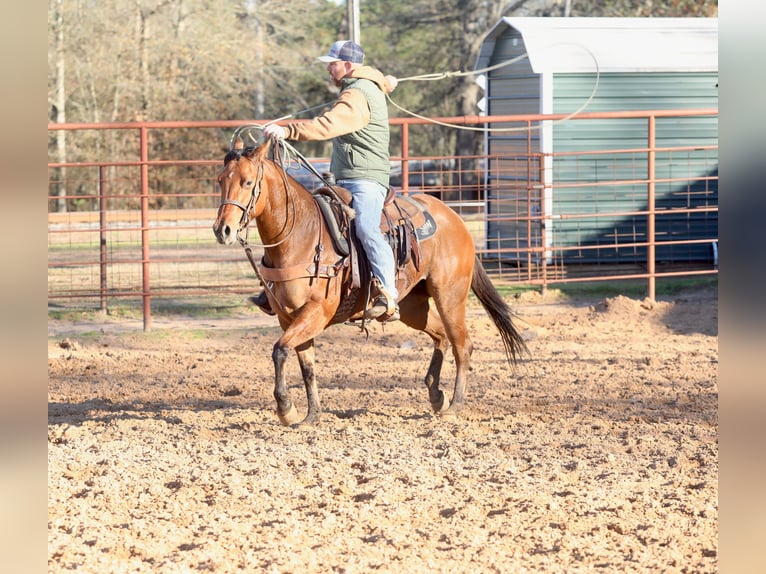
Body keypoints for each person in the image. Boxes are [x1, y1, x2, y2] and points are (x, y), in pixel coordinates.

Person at [262, 40, 400, 322]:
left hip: (366, 178)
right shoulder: (363, 88)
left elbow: (327, 124)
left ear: (348, 66)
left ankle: (387, 293)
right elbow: (375, 83)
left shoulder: (356, 95)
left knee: (366, 227)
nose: (328, 68)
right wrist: (385, 82)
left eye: (332, 63)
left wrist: (288, 131)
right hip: (347, 177)